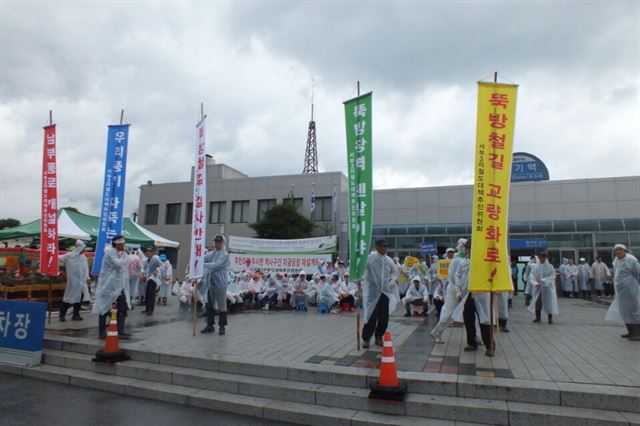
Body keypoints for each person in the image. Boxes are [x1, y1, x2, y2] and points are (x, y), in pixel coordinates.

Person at [453, 239, 493, 356]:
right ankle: (472, 343)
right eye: (467, 247)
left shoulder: (483, 261)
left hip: (480, 294)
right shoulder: (463, 262)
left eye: (470, 247)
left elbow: (490, 274)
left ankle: (490, 346)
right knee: (468, 319)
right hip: (466, 295)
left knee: (484, 320)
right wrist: (458, 291)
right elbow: (458, 276)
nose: (468, 249)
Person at [361, 239, 399, 348]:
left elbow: (395, 272)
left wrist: (392, 281)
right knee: (370, 316)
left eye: (386, 246)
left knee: (383, 317)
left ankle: (379, 336)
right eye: (383, 246)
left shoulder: (389, 260)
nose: (385, 248)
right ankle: (366, 338)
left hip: (385, 293)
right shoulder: (370, 258)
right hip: (373, 292)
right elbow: (361, 269)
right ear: (377, 247)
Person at [93, 235, 131, 339]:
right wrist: (125, 256)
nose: (123, 246)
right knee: (104, 309)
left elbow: (123, 269)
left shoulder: (120, 253)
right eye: (122, 244)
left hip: (119, 287)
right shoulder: (110, 252)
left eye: (124, 244)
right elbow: (118, 264)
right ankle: (101, 332)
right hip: (108, 286)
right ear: (116, 244)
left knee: (122, 308)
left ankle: (120, 330)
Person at [430, 239, 467, 344]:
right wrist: (458, 290)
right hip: (454, 290)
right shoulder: (456, 260)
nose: (466, 248)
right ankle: (437, 332)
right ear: (460, 247)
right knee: (448, 313)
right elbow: (453, 276)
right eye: (464, 246)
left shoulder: (468, 258)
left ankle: (476, 336)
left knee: (472, 313)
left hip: (465, 290)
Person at [605, 244, 640, 341]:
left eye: (620, 250)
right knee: (624, 311)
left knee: (634, 310)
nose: (618, 252)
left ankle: (637, 333)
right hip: (620, 290)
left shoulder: (631, 259)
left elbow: (638, 273)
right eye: (616, 250)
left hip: (631, 288)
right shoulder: (616, 260)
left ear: (625, 251)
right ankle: (631, 331)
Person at [201, 234, 230, 335]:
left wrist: (201, 264)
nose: (217, 244)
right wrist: (197, 259)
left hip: (221, 284)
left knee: (222, 305)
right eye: (216, 242)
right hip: (211, 283)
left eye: (219, 242)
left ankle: (222, 326)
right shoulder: (212, 253)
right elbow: (204, 258)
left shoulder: (225, 255)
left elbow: (215, 265)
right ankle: (210, 325)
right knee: (210, 304)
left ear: (223, 243)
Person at [59, 240, 90, 321]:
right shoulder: (70, 255)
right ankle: (62, 315)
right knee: (67, 297)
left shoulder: (83, 257)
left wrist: (87, 278)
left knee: (79, 298)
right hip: (72, 282)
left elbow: (86, 268)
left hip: (82, 282)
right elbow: (59, 258)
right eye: (83, 248)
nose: (84, 250)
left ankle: (76, 314)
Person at [528, 250, 558, 324]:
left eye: (544, 257)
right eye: (541, 257)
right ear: (539, 257)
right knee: (537, 303)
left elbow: (553, 276)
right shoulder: (535, 267)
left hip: (547, 288)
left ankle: (550, 319)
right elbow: (532, 276)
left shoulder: (550, 266)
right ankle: (538, 318)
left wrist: (544, 280)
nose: (542, 258)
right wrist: (535, 283)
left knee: (549, 303)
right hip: (538, 288)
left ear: (546, 258)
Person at [141, 247, 163, 316]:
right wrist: (143, 274)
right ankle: (147, 308)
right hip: (148, 278)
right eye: (146, 251)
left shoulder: (156, 258)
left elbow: (162, 265)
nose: (147, 253)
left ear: (152, 252)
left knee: (151, 294)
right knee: (147, 294)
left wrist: (157, 269)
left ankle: (151, 309)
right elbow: (144, 269)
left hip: (153, 278)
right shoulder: (146, 260)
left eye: (149, 251)